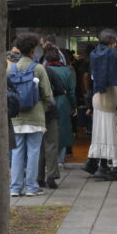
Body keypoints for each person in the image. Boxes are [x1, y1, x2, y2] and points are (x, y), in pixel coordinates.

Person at [10, 32, 54, 196]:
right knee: (34, 152)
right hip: (36, 116)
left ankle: (15, 187)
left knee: (17, 151)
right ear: (32, 51)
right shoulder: (39, 68)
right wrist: (45, 107)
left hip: (16, 118)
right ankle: (31, 187)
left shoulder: (10, 69)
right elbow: (48, 95)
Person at [84, 29, 117, 181]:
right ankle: (104, 166)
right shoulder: (112, 55)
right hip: (109, 95)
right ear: (112, 42)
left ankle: (93, 162)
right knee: (109, 132)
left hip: (97, 96)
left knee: (99, 131)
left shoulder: (94, 54)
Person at [40, 46, 76, 185]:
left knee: (44, 138)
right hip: (61, 102)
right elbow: (71, 91)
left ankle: (41, 173)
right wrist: (73, 106)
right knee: (60, 134)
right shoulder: (67, 70)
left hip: (44, 104)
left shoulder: (41, 69)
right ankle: (59, 161)